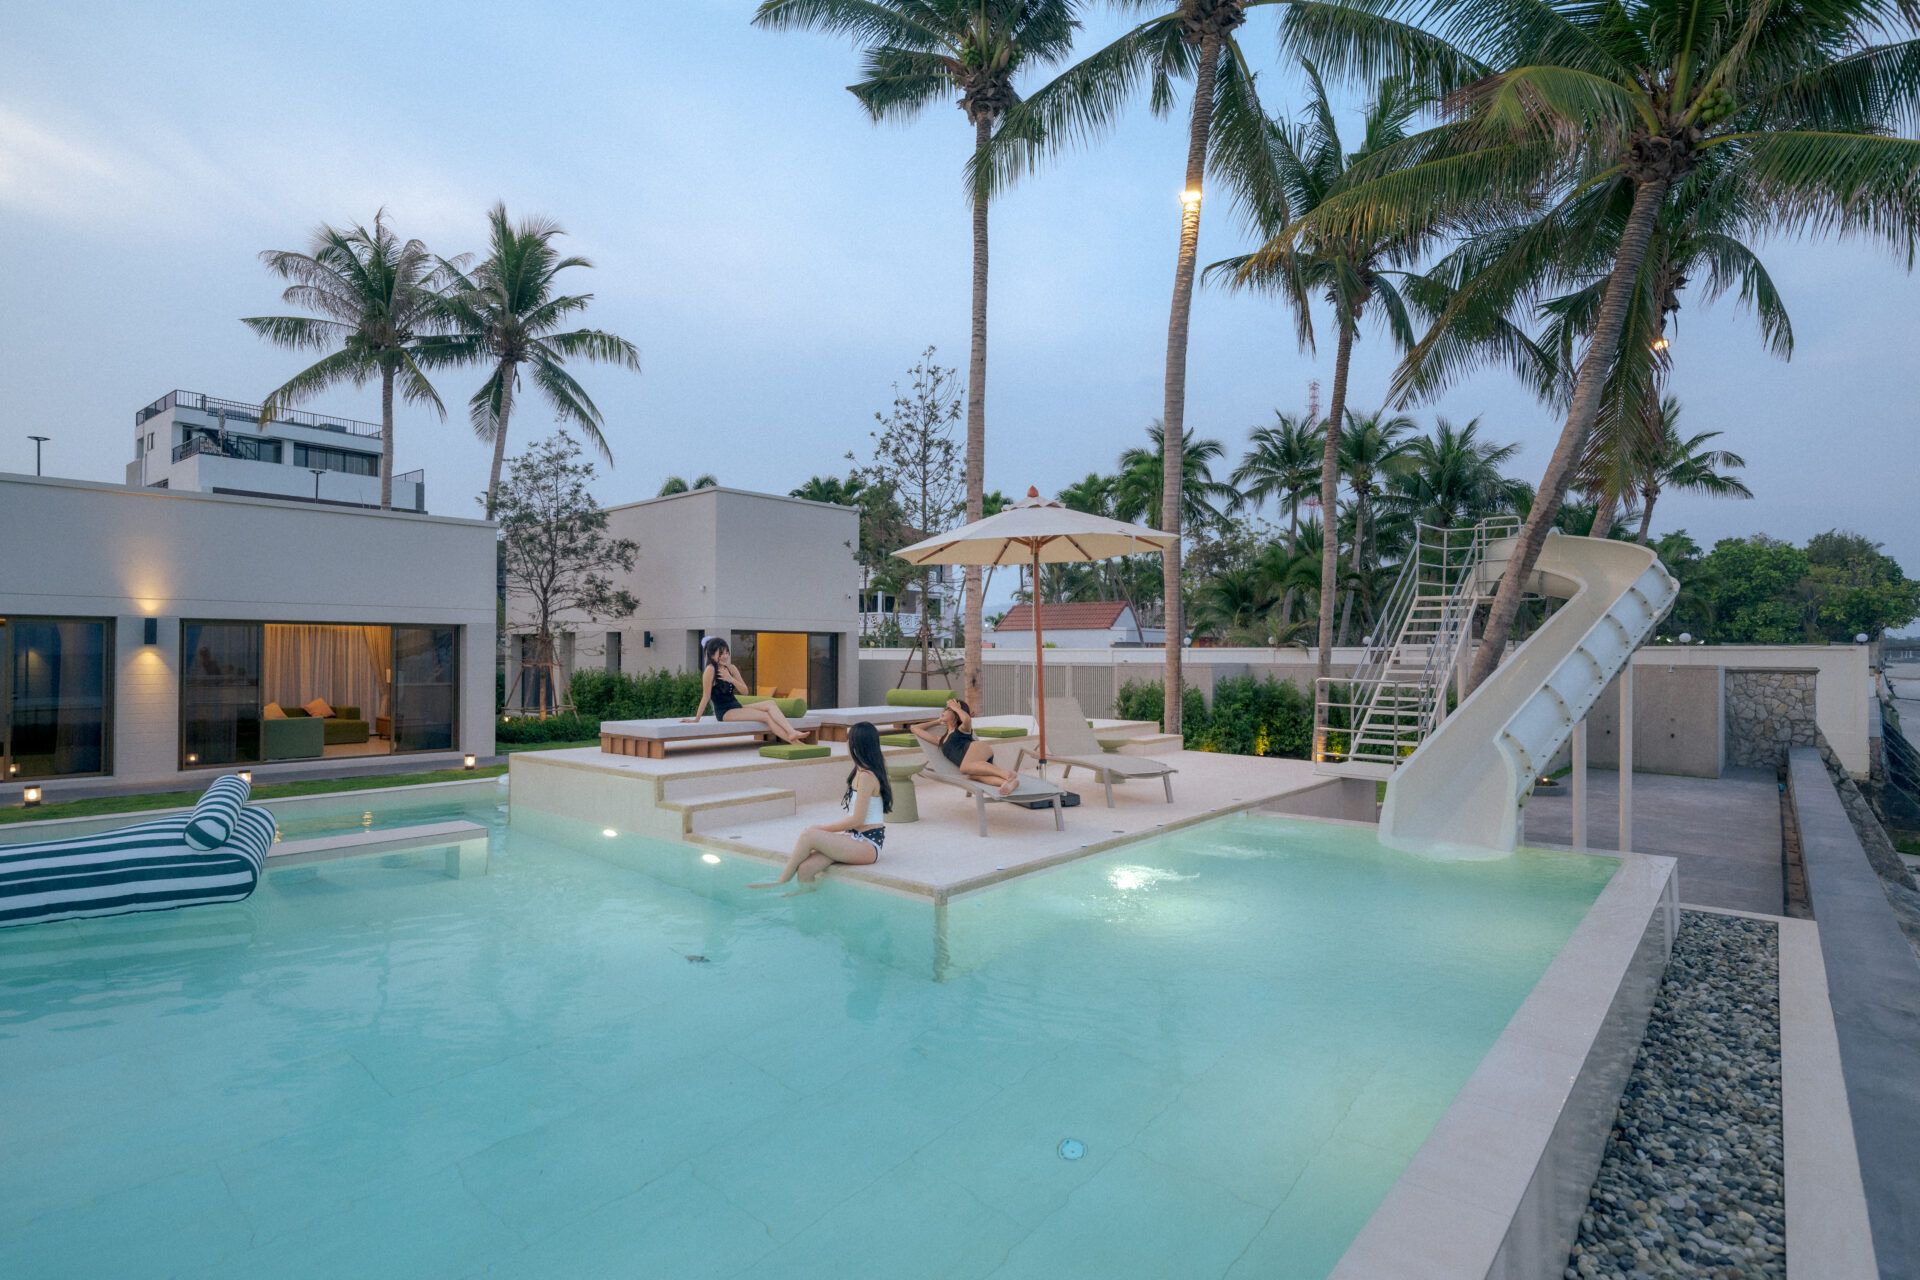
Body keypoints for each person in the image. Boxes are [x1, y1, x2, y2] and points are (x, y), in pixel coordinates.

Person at [749, 721, 891, 894]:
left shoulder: (867, 776)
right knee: (806, 869)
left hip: (868, 844)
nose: (846, 744)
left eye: (849, 740)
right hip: (854, 838)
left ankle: (782, 880)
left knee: (809, 835)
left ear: (857, 745)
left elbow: (857, 819)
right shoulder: (860, 771)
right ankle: (807, 898)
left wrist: (822, 829)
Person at [685, 637, 806, 745]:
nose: (725, 656)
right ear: (712, 655)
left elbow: (745, 691)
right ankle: (795, 743)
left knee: (770, 704)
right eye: (721, 653)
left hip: (737, 706)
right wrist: (696, 719)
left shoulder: (731, 668)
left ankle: (792, 732)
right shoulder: (710, 670)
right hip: (725, 712)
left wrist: (730, 679)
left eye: (727, 652)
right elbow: (706, 696)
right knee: (765, 716)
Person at [911, 697, 1020, 795]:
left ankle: (1006, 774)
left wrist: (956, 707)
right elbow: (914, 728)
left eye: (948, 709)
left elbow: (967, 719)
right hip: (975, 763)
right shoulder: (941, 740)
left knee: (964, 768)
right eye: (945, 709)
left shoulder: (962, 729)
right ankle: (1007, 783)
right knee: (974, 776)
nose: (944, 711)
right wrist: (937, 721)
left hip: (978, 749)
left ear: (956, 714)